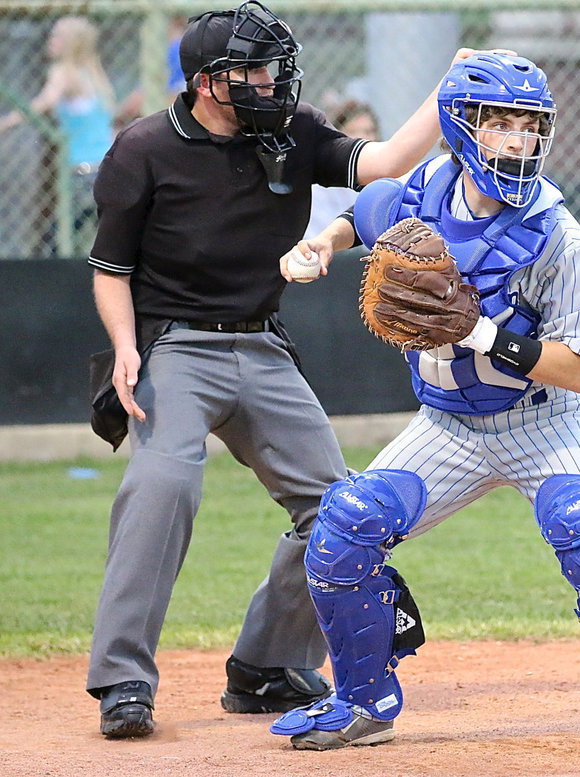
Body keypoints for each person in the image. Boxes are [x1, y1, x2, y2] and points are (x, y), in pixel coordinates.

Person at [270, 53, 580, 757]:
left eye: (528, 126)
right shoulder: (425, 190)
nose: (516, 140)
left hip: (543, 421)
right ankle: (361, 701)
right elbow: (366, 213)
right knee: (344, 528)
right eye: (498, 123)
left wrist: (477, 331)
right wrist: (321, 242)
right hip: (447, 425)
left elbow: (577, 370)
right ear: (460, 126)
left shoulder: (562, 240)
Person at [85, 0, 484, 739]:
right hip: (176, 344)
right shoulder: (142, 148)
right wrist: (126, 348)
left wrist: (449, 86)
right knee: (162, 483)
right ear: (209, 83)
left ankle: (265, 664)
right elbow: (111, 267)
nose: (273, 82)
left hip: (261, 345)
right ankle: (123, 678)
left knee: (341, 509)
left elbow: (388, 162)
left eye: (274, 67)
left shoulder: (293, 131)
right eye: (256, 69)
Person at [0, 16, 115, 253]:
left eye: (56, 37)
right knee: (87, 238)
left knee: (55, 243)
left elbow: (46, 101)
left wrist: (7, 122)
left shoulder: (64, 71)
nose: (50, 41)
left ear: (71, 42)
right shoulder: (94, 74)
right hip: (105, 169)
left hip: (82, 172)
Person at [304, 100, 380, 237]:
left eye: (369, 131)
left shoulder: (384, 180)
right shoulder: (319, 185)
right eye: (353, 131)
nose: (364, 138)